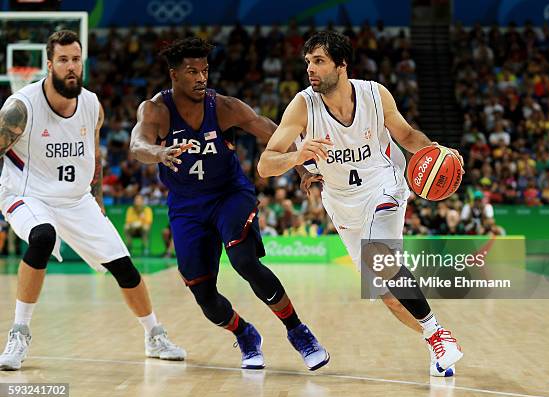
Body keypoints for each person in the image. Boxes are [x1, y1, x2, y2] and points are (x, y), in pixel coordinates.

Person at [258, 31, 463, 377]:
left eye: (319, 61)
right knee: (387, 295)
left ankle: (437, 333)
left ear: (341, 65)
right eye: (308, 62)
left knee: (378, 256)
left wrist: (436, 150)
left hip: (385, 185)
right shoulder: (302, 105)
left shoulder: (373, 94)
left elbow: (408, 136)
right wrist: (297, 157)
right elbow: (265, 165)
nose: (310, 68)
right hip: (342, 205)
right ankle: (435, 337)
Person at [129, 37, 329, 371]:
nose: (201, 78)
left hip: (229, 195)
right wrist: (160, 153)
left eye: (205, 70)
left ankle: (298, 332)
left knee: (243, 260)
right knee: (204, 296)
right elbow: (137, 144)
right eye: (192, 71)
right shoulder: (156, 110)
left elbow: (272, 133)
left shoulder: (223, 107)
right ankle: (245, 333)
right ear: (173, 74)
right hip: (186, 207)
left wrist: (301, 167)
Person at [0, 31, 184, 371]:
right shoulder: (19, 109)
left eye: (76, 59)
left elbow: (92, 154)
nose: (72, 67)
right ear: (49, 64)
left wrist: (97, 196)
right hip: (28, 195)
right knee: (42, 237)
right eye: (64, 60)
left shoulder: (91, 104)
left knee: (124, 266)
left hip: (76, 199)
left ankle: (153, 334)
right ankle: (19, 332)